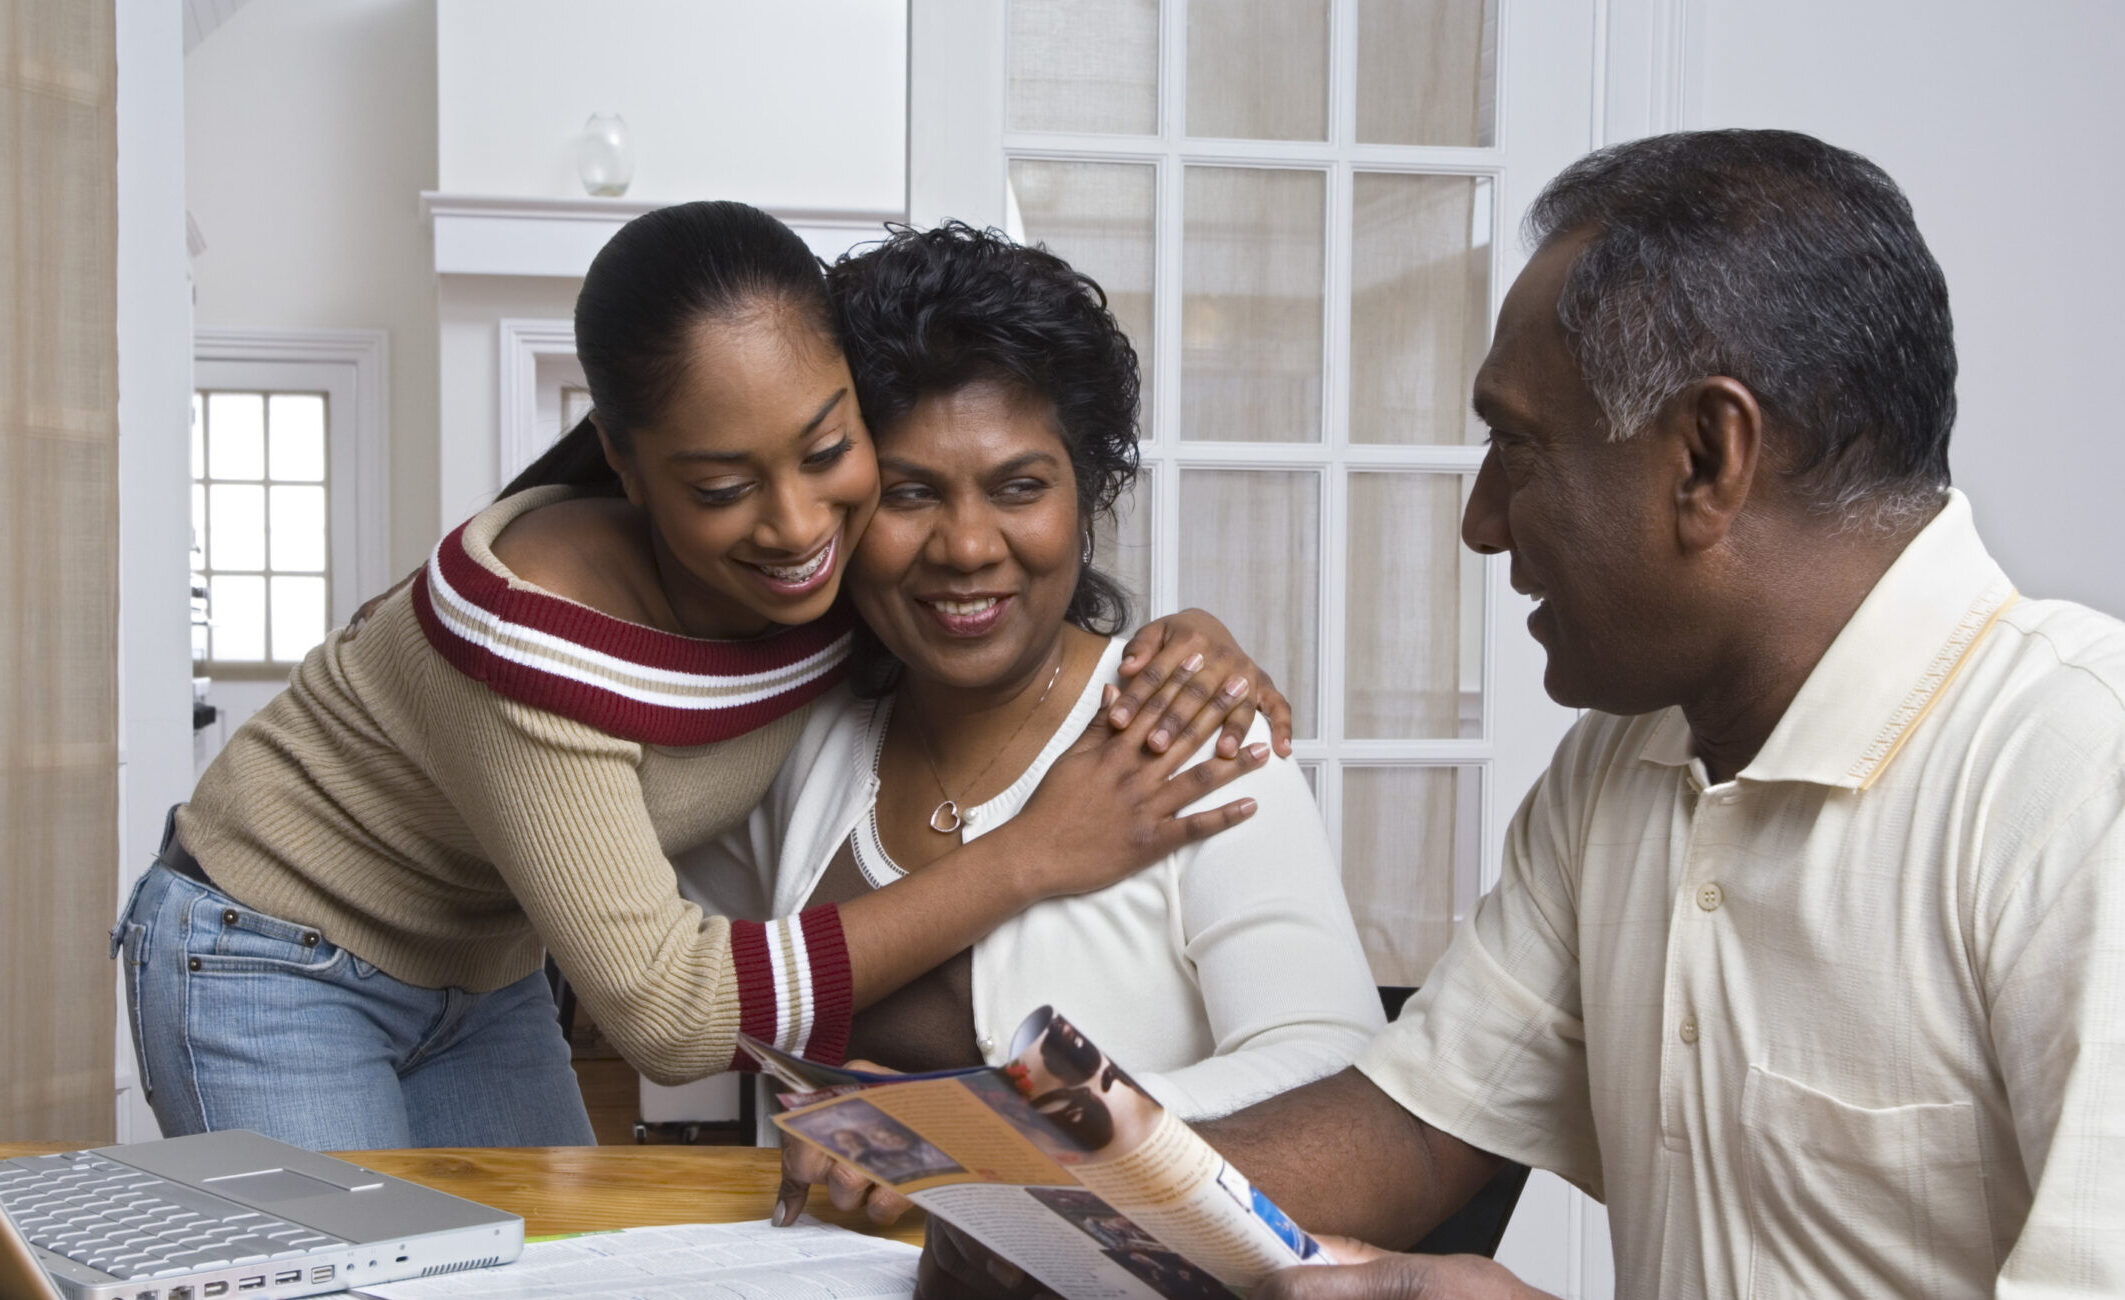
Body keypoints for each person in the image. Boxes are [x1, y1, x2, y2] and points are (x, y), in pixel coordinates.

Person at [906, 131, 2125, 1298]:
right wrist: (1055, 1207)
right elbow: (1414, 1124)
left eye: (1518, 448)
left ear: (1706, 456)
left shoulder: (2080, 780)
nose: (1481, 520)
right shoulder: (1625, 760)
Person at [112, 200, 1300, 1152]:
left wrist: (1175, 638)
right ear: (625, 464)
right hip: (266, 949)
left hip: (482, 967)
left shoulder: (838, 576)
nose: (795, 527)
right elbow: (672, 1018)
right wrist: (1036, 852)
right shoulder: (533, 634)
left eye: (833, 452)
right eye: (723, 488)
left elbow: (979, 573)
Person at [674, 224, 1382, 1220]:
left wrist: (1005, 1133)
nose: (966, 546)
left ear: (1085, 497)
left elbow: (1334, 1072)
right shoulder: (801, 740)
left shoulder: (1192, 733)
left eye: (1019, 487)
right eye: (911, 493)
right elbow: (674, 971)